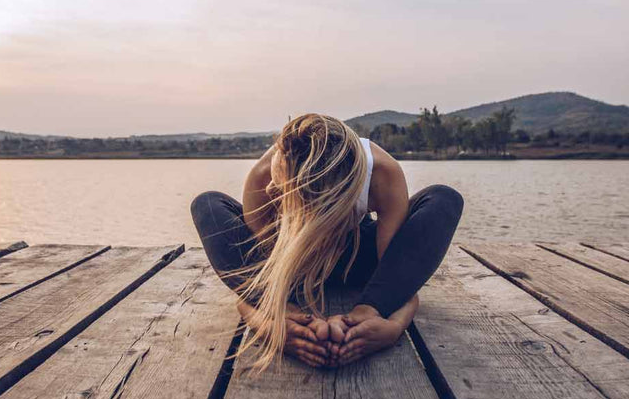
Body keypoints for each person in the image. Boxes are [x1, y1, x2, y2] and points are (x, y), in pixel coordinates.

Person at [190, 113, 463, 371]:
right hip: (293, 266)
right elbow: (253, 283)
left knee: (443, 198)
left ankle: (367, 311)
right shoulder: (264, 176)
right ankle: (287, 312)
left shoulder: (381, 171)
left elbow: (399, 278)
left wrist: (390, 323)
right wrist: (270, 324)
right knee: (207, 205)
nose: (272, 191)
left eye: (282, 191)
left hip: (358, 259)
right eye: (277, 185)